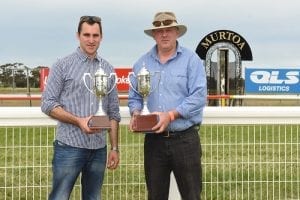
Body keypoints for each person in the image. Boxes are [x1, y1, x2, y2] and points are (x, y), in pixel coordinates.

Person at [128, 11, 207, 200]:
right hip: (154, 142)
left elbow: (199, 97)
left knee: (192, 196)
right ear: (153, 34)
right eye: (159, 30)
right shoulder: (141, 63)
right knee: (155, 196)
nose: (164, 34)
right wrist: (136, 113)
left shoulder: (191, 60)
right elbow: (135, 97)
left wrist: (170, 115)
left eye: (169, 30)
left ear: (177, 32)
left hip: (185, 140)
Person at [41, 15, 121, 200]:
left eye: (95, 35)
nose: (91, 40)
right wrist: (79, 121)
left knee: (93, 197)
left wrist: (115, 148)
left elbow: (113, 112)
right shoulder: (63, 65)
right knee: (60, 197)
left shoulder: (108, 69)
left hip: (99, 148)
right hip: (69, 146)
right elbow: (47, 103)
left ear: (101, 37)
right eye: (86, 35)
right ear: (78, 36)